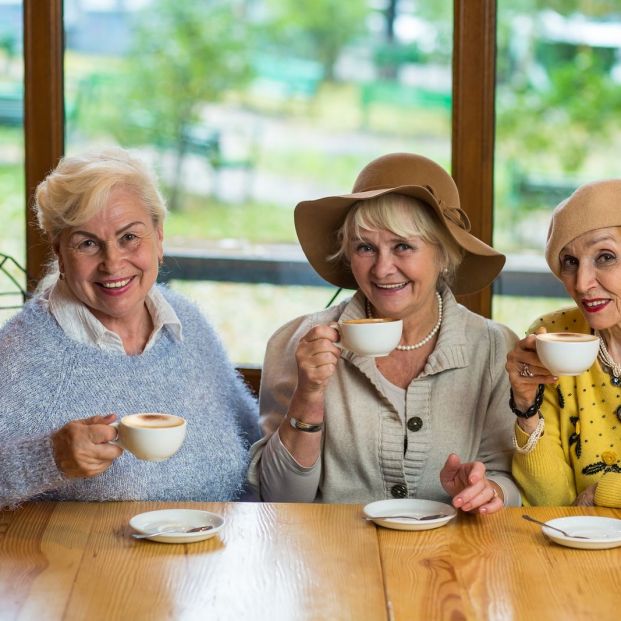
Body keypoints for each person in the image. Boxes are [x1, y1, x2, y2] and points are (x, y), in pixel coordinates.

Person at [248, 152, 521, 511]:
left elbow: (510, 483)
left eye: (403, 246)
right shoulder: (299, 343)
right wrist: (308, 397)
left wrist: (489, 490)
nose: (382, 268)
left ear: (445, 254)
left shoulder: (493, 348)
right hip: (334, 557)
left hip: (451, 559)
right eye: (365, 248)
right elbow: (279, 498)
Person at [0, 147, 259, 509]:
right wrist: (47, 459)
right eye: (87, 243)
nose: (113, 262)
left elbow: (252, 448)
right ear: (59, 252)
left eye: (129, 237)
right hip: (84, 564)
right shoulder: (20, 353)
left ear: (159, 237)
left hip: (208, 554)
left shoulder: (187, 323)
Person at [507, 179, 621, 508]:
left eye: (605, 257)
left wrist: (605, 492)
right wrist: (526, 408)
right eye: (570, 262)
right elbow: (552, 503)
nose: (582, 284)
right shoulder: (553, 334)